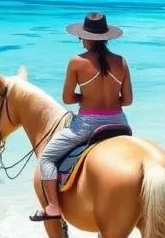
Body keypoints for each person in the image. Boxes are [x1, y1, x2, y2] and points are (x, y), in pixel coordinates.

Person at [31, 12, 133, 224]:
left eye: (82, 37)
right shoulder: (121, 61)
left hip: (87, 125)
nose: (81, 41)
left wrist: (87, 98)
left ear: (87, 37)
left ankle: (52, 206)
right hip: (120, 123)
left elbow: (67, 99)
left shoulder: (76, 61)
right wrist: (109, 100)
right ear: (105, 37)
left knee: (47, 157)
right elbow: (128, 100)